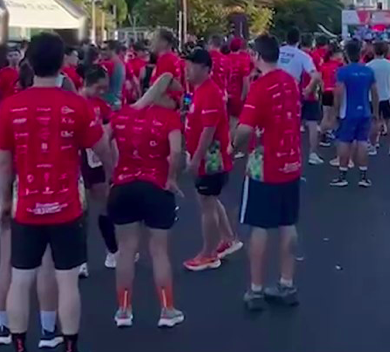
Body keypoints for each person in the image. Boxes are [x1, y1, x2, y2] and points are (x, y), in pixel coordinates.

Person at [0, 32, 115, 352]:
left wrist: (4, 201)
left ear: (29, 62)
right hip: (67, 206)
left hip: (26, 205)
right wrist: (113, 177)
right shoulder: (78, 105)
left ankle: (20, 344)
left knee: (21, 278)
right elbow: (102, 149)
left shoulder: (10, 106)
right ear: (63, 63)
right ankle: (69, 345)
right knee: (67, 280)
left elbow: (3, 162)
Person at [0, 61, 65, 349]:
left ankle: (3, 326)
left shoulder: (10, 108)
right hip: (44, 192)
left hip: (14, 191)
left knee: (8, 264)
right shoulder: (62, 104)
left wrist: (3, 198)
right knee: (46, 265)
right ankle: (47, 331)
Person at [108, 73, 186, 328]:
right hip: (156, 186)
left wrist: (113, 171)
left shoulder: (121, 115)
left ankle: (123, 309)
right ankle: (167, 309)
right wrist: (172, 177)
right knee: (159, 251)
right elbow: (176, 152)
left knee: (126, 250)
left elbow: (98, 142)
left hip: (123, 186)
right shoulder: (170, 119)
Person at [234, 34, 303, 311]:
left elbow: (245, 129)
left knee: (260, 226)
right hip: (292, 162)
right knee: (288, 224)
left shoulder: (260, 87)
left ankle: (256, 289)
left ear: (257, 56)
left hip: (265, 164)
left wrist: (232, 145)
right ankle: (287, 283)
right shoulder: (290, 82)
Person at [181, 48, 242, 272]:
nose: (187, 70)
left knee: (206, 202)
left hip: (211, 157)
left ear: (206, 69)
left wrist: (196, 158)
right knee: (210, 200)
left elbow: (209, 129)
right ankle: (227, 238)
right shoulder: (199, 90)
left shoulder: (210, 93)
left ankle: (208, 254)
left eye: (192, 66)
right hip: (207, 156)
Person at [78, 65, 117, 277]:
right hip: (79, 160)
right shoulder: (75, 102)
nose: (103, 92)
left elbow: (109, 136)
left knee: (104, 206)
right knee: (80, 212)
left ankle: (112, 251)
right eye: (100, 88)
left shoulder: (101, 105)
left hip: (97, 161)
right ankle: (80, 261)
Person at [325, 40, 378, 187]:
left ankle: (342, 175)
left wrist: (335, 113)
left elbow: (339, 93)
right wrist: (375, 112)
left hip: (348, 112)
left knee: (344, 142)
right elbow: (374, 93)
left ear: (346, 54)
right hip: (365, 111)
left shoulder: (343, 71)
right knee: (362, 142)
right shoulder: (368, 71)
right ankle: (363, 176)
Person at [277, 28, 322, 166]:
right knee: (309, 123)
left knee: (281, 123)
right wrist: (309, 89)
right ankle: (311, 154)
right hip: (294, 92)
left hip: (277, 91)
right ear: (298, 40)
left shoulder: (277, 51)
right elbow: (316, 75)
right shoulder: (303, 56)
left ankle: (280, 152)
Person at [366, 41, 390, 157]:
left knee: (374, 121)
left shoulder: (369, 66)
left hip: (372, 97)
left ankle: (373, 145)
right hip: (387, 96)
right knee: (389, 121)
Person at [318, 44, 342, 150]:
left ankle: (323, 134)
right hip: (334, 92)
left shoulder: (324, 65)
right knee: (333, 115)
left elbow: (320, 79)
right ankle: (329, 132)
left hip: (325, 92)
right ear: (335, 54)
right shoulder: (339, 66)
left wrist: (322, 88)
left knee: (326, 115)